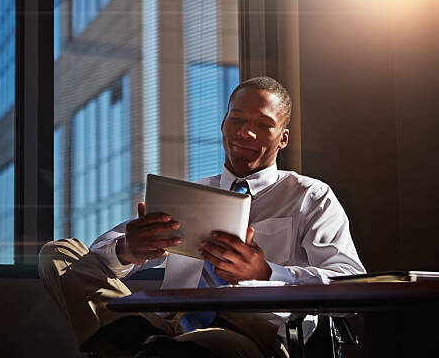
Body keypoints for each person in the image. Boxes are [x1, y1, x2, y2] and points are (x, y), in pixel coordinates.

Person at [39, 76, 366, 357]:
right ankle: (144, 343)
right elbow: (97, 258)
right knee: (58, 253)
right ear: (224, 123)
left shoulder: (310, 195)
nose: (246, 133)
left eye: (264, 125)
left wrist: (267, 273)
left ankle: (137, 346)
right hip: (168, 323)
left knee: (198, 347)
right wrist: (127, 249)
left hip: (251, 330)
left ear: (283, 137)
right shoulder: (187, 194)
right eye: (237, 120)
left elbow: (351, 287)